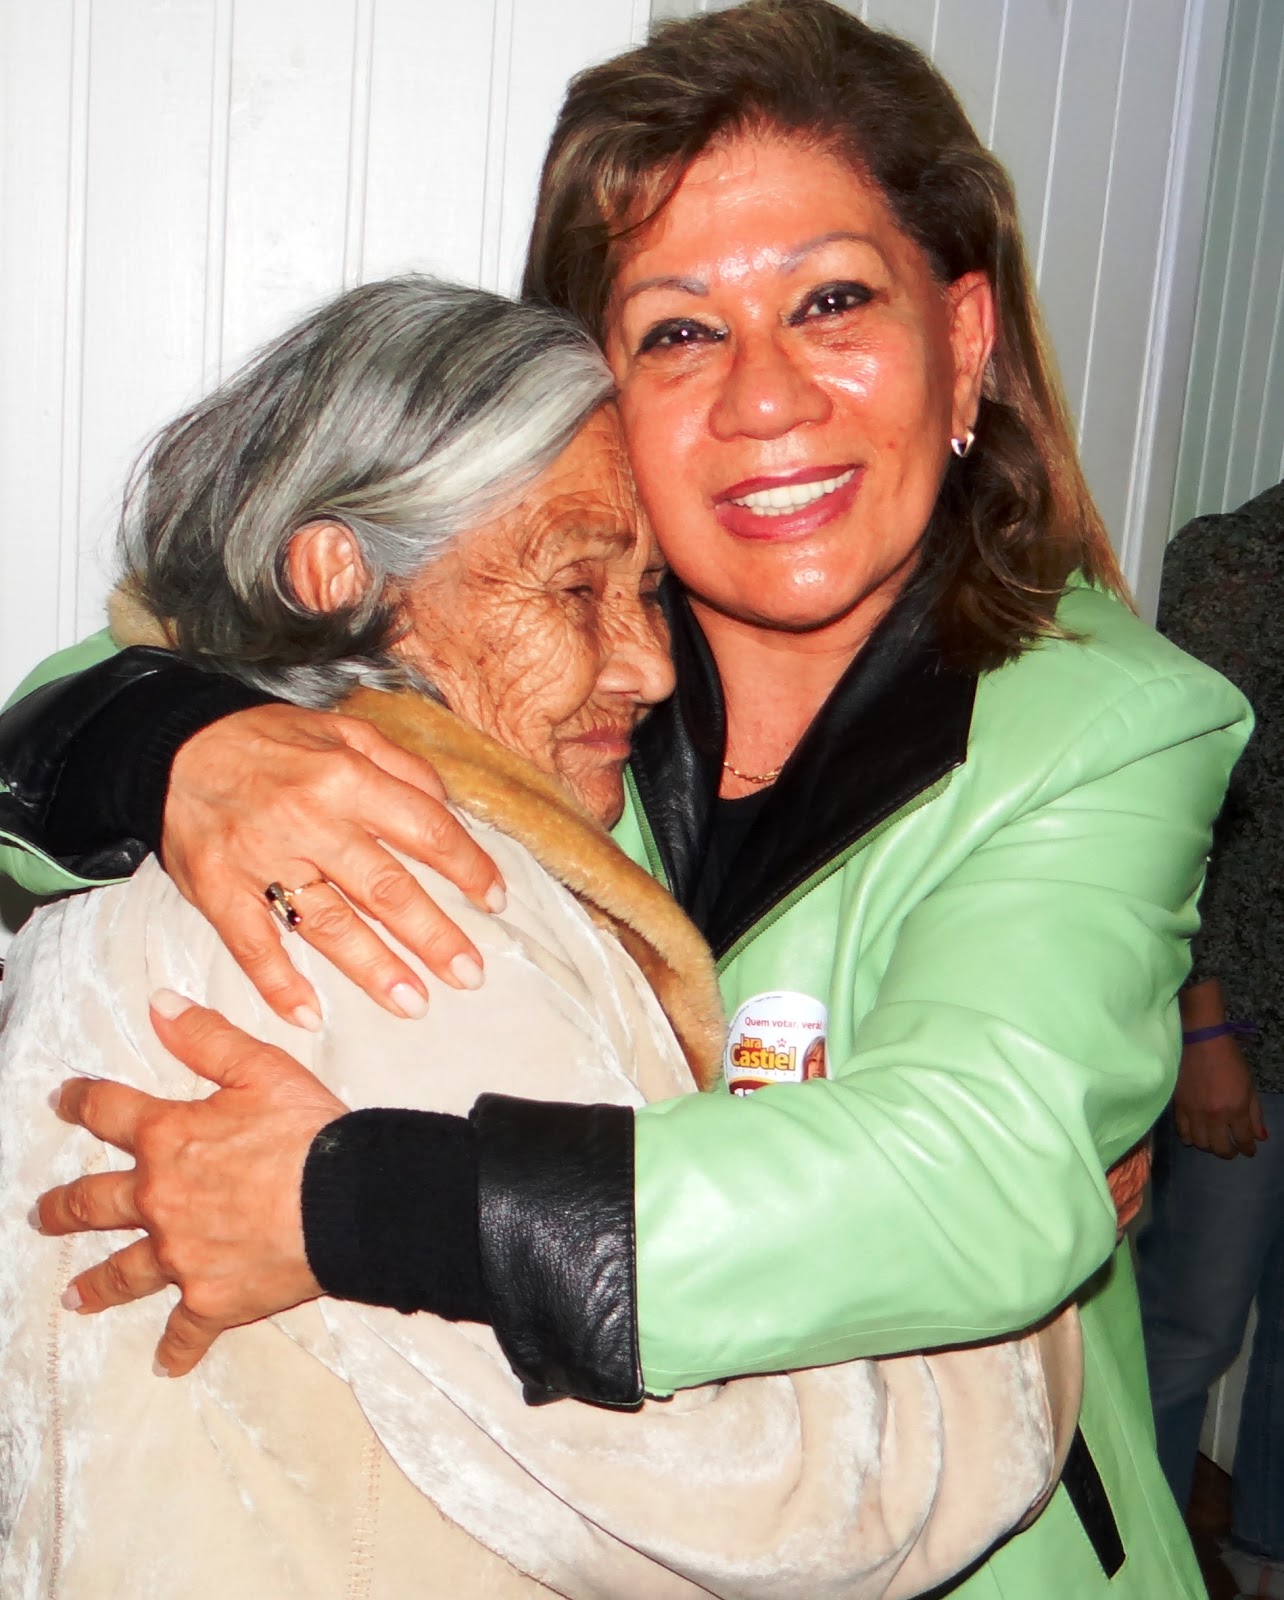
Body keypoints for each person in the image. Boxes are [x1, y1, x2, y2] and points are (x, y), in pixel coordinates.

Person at [0, 3, 1252, 1595]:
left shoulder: (1110, 722)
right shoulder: (536, 667)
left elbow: (969, 1177)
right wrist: (186, 744)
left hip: (976, 1541)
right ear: (597, 390)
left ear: (965, 340)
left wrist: (349, 1201)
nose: (766, 395)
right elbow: (150, 642)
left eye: (833, 301)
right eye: (677, 332)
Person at [1136, 478, 1284, 1600]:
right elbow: (1177, 821)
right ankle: (1137, 1561)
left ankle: (1266, 1551)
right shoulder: (1239, 564)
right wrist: (1204, 1026)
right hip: (1246, 1029)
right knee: (1190, 1320)